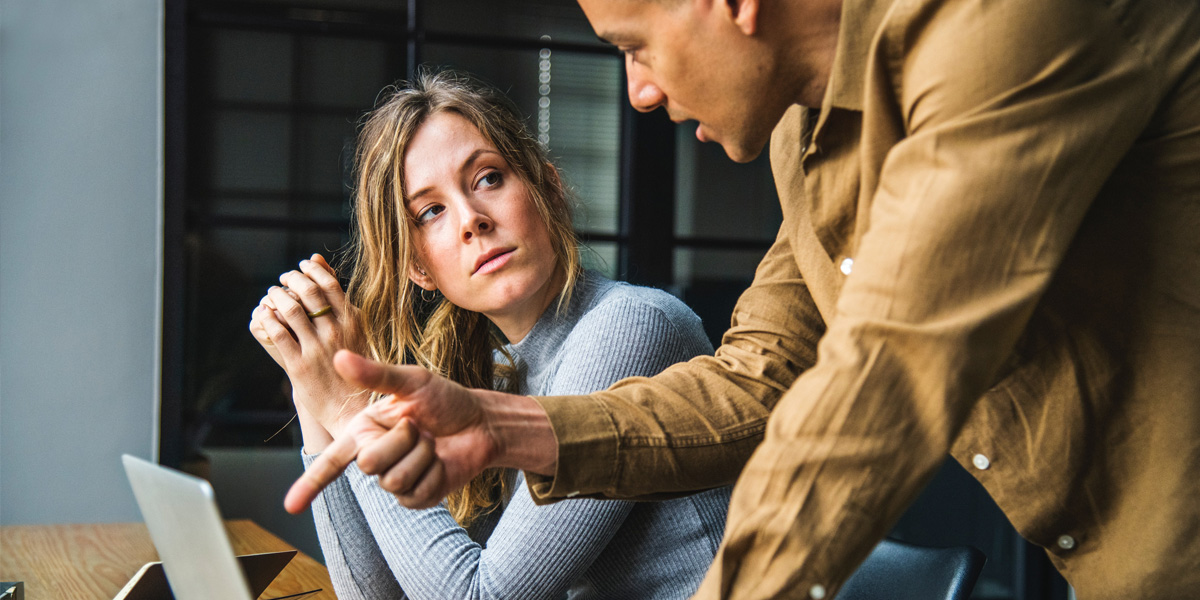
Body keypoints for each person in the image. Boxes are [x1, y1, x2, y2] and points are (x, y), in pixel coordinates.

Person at [288, 0, 1200, 598]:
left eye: (635, 46)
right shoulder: (804, 137)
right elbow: (757, 379)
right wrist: (503, 426)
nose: (639, 92)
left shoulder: (1004, 28)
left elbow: (884, 379)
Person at [253, 69, 731, 599]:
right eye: (431, 211)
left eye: (487, 178)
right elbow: (376, 596)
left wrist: (349, 410)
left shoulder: (631, 327)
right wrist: (311, 380)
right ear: (420, 269)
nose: (470, 220)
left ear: (548, 189)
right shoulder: (496, 373)